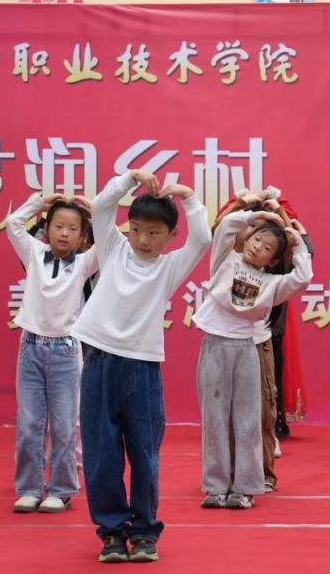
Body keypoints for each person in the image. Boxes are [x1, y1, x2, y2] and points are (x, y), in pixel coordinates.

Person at [74, 170, 210, 563]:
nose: (143, 240)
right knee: (102, 454)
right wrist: (130, 179)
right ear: (127, 228)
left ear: (171, 235)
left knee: (145, 454)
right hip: (99, 359)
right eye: (136, 230)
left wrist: (190, 198)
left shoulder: (169, 267)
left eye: (154, 233)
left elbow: (202, 239)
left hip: (143, 367)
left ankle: (145, 532)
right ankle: (113, 533)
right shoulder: (113, 248)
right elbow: (102, 206)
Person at [193, 209, 312, 510]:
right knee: (214, 419)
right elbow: (225, 228)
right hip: (214, 347)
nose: (258, 246)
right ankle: (216, 486)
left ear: (272, 261)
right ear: (247, 239)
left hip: (246, 350)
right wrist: (253, 214)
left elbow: (302, 277)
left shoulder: (273, 283)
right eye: (257, 239)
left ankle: (245, 488)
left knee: (247, 420)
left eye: (267, 247)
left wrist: (298, 244)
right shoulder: (224, 260)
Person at [6, 193, 98, 514]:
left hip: (66, 351)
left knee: (65, 425)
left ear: (83, 236)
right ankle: (29, 488)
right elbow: (13, 223)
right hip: (31, 347)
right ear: (46, 228)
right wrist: (39, 203)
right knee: (29, 423)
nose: (64, 233)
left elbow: (111, 242)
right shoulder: (34, 252)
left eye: (73, 228)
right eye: (58, 226)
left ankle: (61, 489)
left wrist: (93, 211)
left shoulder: (85, 262)